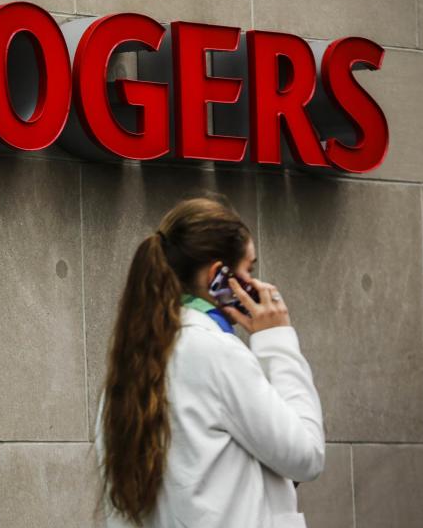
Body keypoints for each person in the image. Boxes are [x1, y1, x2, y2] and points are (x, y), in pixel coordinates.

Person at [92, 194, 324, 528]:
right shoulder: (216, 352)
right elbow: (307, 455)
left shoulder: (134, 362)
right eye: (249, 268)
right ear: (219, 275)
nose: (259, 284)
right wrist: (277, 340)